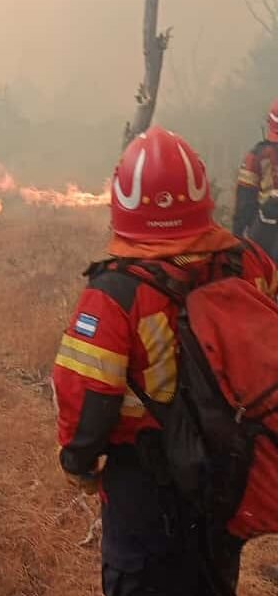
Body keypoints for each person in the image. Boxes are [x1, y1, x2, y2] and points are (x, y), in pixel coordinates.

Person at [53, 126, 278, 596]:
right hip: (225, 475)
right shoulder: (247, 263)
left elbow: (88, 400)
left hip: (145, 489)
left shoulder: (114, 293)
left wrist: (77, 462)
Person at [233, 98, 278, 260]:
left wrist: (236, 242)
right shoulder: (257, 157)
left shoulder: (257, 156)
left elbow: (244, 206)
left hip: (265, 238)